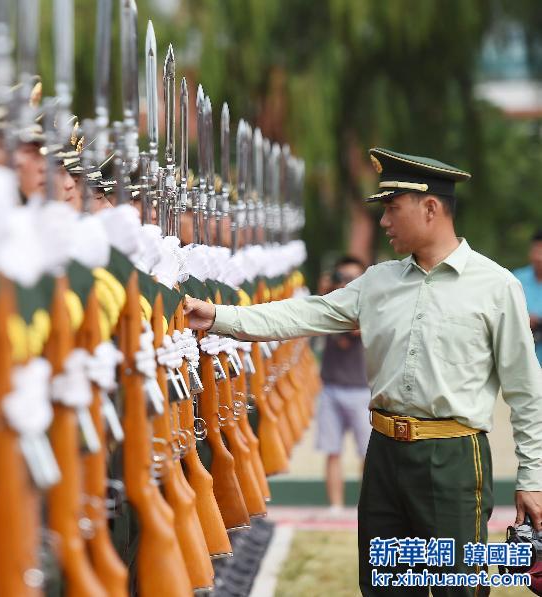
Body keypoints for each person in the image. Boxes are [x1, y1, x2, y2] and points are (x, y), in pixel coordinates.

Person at [184, 147, 542, 597]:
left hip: (453, 459)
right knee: (383, 586)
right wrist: (217, 316)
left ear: (431, 208)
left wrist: (532, 479)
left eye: (392, 208)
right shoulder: (378, 282)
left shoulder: (496, 287)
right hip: (385, 456)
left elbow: (527, 393)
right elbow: (304, 315)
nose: (384, 221)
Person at [315, 255, 372, 514]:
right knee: (332, 451)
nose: (347, 283)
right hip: (331, 388)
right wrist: (324, 295)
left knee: (368, 455)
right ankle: (335, 505)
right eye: (343, 278)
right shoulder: (326, 305)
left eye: (354, 279)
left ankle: (368, 507)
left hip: (362, 390)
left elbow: (353, 333)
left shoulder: (370, 307)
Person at [512, 230, 542, 365]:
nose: (539, 258)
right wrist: (523, 320)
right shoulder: (515, 279)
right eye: (536, 251)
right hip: (520, 362)